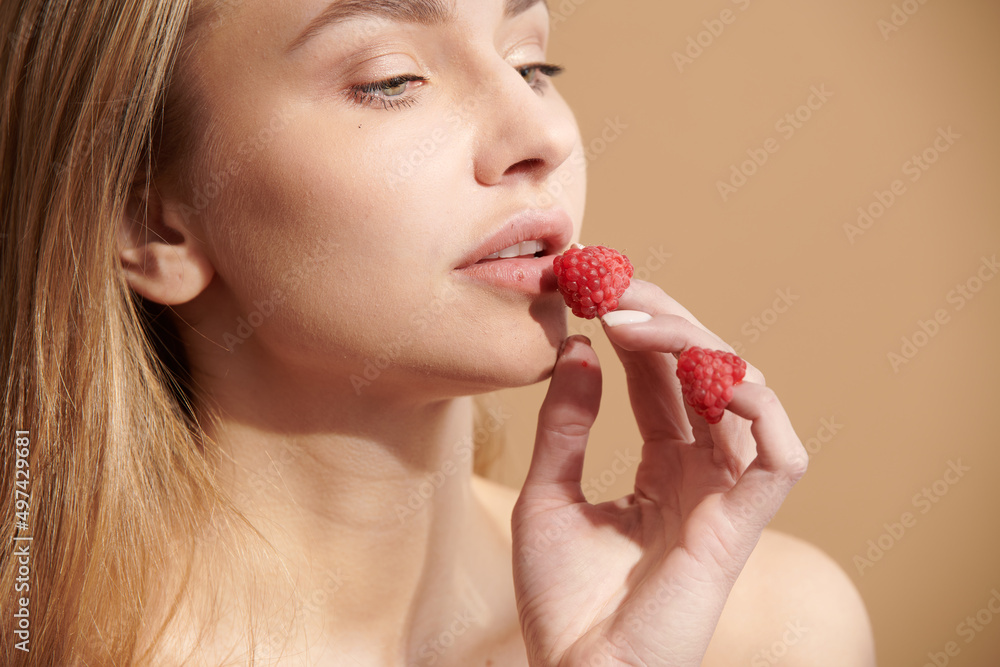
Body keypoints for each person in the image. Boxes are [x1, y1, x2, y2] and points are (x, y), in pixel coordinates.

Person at [0, 0, 877, 664]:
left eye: (533, 63)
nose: (541, 132)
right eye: (391, 78)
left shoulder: (770, 627)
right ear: (149, 221)